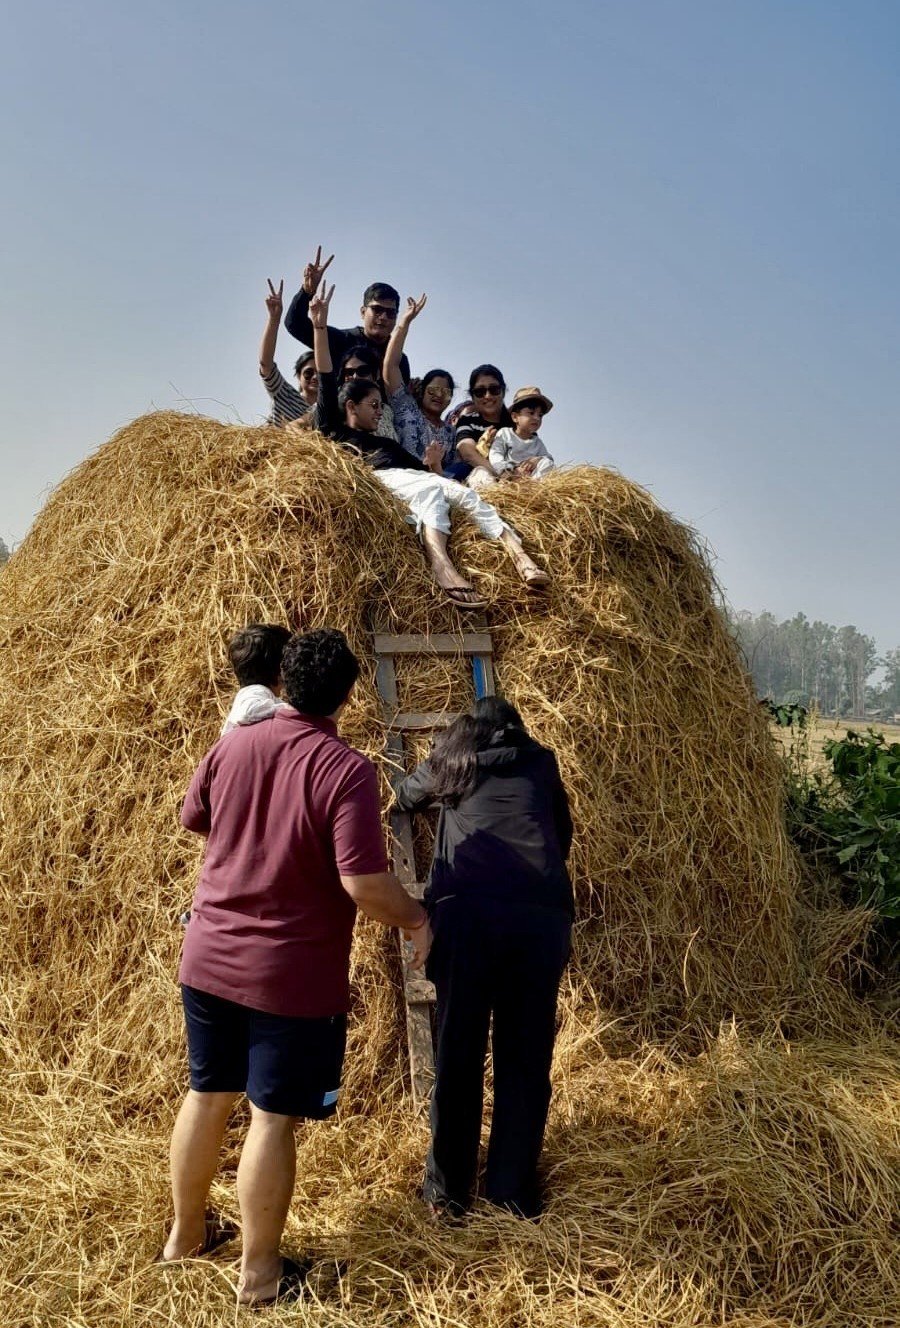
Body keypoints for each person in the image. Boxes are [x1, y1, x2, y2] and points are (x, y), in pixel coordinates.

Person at [163, 628, 431, 1307]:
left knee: (207, 1094)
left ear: (282, 683)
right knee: (272, 1117)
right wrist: (417, 919)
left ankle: (185, 1237)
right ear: (347, 697)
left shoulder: (232, 744)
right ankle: (260, 1276)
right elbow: (363, 885)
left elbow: (195, 818)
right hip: (286, 975)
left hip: (207, 956)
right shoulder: (345, 770)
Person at [394, 698, 574, 1219]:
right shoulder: (541, 762)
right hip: (538, 922)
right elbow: (561, 838)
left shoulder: (455, 758)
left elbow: (405, 795)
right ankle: (510, 1194)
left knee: (459, 1051)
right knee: (525, 1058)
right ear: (517, 729)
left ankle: (447, 1193)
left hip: (467, 919)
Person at [310, 284, 550, 607]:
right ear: (351, 406)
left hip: (411, 479)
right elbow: (326, 376)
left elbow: (423, 472)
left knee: (466, 495)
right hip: (378, 481)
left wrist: (435, 466)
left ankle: (518, 554)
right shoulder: (334, 429)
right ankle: (442, 567)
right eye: (374, 405)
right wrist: (319, 327)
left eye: (381, 405)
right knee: (432, 492)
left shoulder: (388, 442)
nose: (380, 411)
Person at [284, 245, 411, 384]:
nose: (383, 317)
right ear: (363, 312)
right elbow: (294, 324)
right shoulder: (341, 341)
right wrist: (307, 291)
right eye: (377, 310)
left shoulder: (399, 360)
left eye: (390, 312)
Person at [382, 294, 458, 472]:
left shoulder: (451, 433)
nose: (439, 395)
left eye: (446, 392)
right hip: (403, 475)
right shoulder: (406, 407)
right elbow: (391, 365)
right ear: (423, 390)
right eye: (433, 389)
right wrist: (405, 323)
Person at [259, 279, 319, 427]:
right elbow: (265, 364)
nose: (315, 377)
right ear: (298, 375)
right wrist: (274, 319)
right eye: (308, 373)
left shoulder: (327, 411)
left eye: (319, 373)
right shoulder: (284, 394)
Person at [221, 623, 291, 735]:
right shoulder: (254, 691)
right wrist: (290, 710)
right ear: (279, 668)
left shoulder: (263, 696)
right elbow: (248, 711)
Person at [454, 365, 514, 489]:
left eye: (494, 389)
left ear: (503, 391)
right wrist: (501, 475)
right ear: (472, 396)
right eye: (480, 392)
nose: (487, 396)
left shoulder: (516, 424)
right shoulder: (467, 421)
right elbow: (468, 453)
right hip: (480, 481)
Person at [487, 387, 557, 482]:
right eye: (531, 413)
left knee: (547, 463)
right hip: (509, 477)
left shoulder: (537, 442)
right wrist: (509, 469)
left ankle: (533, 487)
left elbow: (548, 458)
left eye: (540, 415)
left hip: (530, 478)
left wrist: (536, 460)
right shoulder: (505, 433)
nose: (537, 418)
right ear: (515, 417)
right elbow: (496, 454)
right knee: (481, 473)